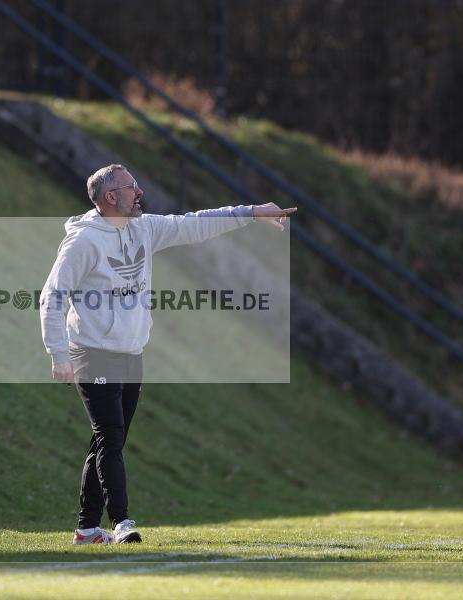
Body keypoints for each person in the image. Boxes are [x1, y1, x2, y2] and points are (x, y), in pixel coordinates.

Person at [39, 164, 295, 545]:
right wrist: (59, 354)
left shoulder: (144, 228)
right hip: (91, 353)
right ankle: (122, 522)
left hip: (131, 351)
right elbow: (52, 296)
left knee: (108, 440)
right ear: (111, 197)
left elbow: (194, 224)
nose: (139, 192)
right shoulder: (82, 242)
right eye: (131, 187)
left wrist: (251, 212)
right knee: (109, 436)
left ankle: (86, 528)